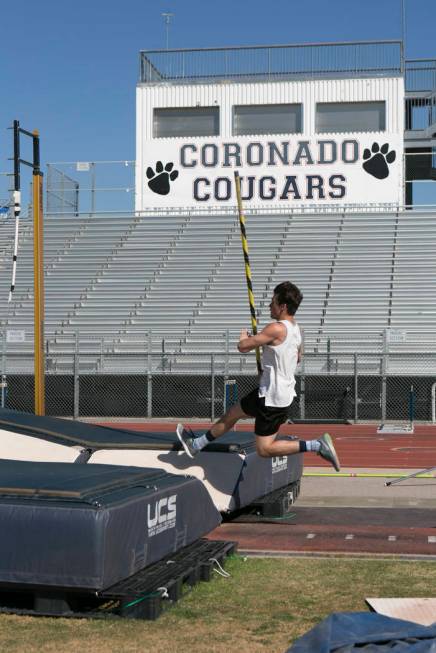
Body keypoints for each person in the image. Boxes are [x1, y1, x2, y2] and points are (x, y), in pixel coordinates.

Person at [176, 281, 340, 471]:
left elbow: (243, 347)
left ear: (283, 306)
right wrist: (269, 368)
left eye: (273, 302)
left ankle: (316, 445)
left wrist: (243, 336)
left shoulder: (276, 328)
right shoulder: (296, 329)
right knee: (233, 413)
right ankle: (197, 445)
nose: (270, 305)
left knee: (264, 449)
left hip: (272, 399)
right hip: (275, 393)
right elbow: (296, 358)